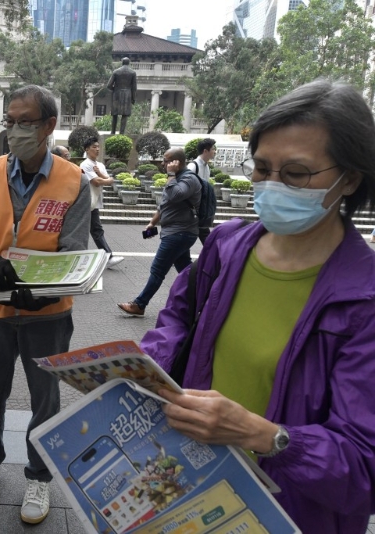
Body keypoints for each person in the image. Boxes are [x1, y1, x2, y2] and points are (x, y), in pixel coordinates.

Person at [141, 80, 375, 534]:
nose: (271, 186)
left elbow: (364, 469)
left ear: (350, 178)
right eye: (262, 168)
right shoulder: (229, 246)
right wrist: (145, 370)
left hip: (292, 515)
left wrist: (267, 437)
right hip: (191, 488)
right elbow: (178, 316)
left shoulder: (364, 298)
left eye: (295, 173)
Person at [0, 84, 91, 524]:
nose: (14, 130)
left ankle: (39, 475)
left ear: (49, 126)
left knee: (44, 398)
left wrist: (46, 293)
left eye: (25, 122)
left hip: (48, 315)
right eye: (10, 122)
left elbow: (72, 253)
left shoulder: (74, 181)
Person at [118, 147, 200, 316]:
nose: (163, 163)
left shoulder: (189, 179)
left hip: (180, 233)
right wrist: (152, 222)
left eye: (166, 160)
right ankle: (205, 297)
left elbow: (176, 196)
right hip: (176, 232)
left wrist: (170, 175)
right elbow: (165, 204)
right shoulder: (176, 178)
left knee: (158, 269)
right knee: (186, 270)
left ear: (176, 162)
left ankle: (140, 304)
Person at [79, 137, 125, 269]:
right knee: (88, 231)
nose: (97, 149)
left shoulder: (100, 166)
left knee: (96, 230)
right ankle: (107, 257)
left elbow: (109, 180)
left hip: (93, 203)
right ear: (87, 149)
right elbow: (97, 182)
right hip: (85, 203)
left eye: (98, 146)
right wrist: (104, 178)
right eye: (94, 147)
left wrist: (101, 175)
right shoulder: (85, 164)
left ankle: (107, 257)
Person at [187, 137, 216, 244]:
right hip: (193, 208)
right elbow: (187, 188)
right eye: (213, 149)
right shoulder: (193, 166)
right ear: (205, 151)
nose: (214, 151)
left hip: (202, 207)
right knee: (204, 233)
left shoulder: (206, 167)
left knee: (202, 232)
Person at [106, 57, 137, 135]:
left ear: (122, 62)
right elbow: (134, 87)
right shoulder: (132, 73)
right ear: (128, 63)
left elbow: (109, 85)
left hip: (117, 93)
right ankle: (121, 133)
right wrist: (133, 98)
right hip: (127, 94)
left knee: (115, 114)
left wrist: (115, 89)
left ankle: (113, 132)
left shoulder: (116, 72)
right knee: (124, 114)